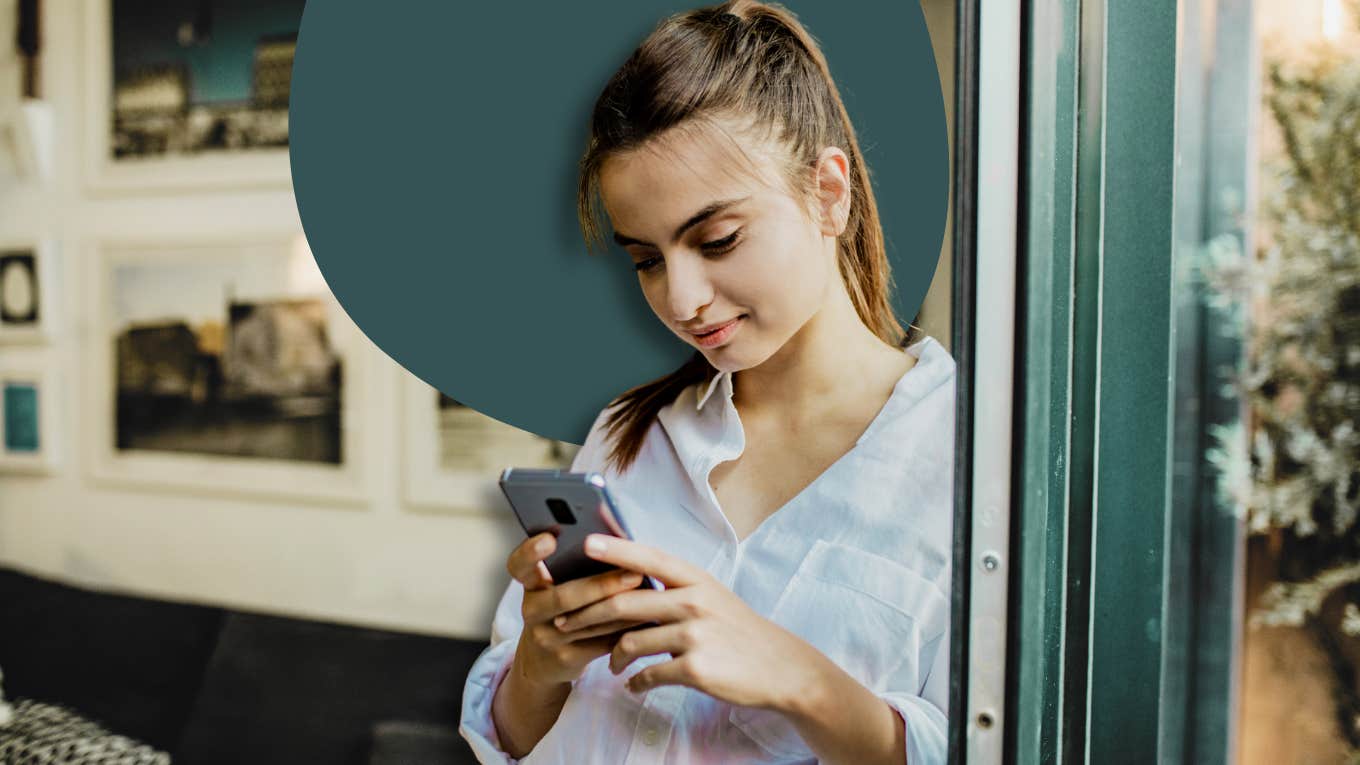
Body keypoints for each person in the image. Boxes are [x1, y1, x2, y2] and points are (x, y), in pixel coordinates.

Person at [459, 1, 954, 763]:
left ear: (829, 192)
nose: (681, 299)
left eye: (717, 239)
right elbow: (510, 739)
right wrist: (539, 662)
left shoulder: (969, 463)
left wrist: (798, 677)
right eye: (646, 259)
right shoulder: (627, 435)